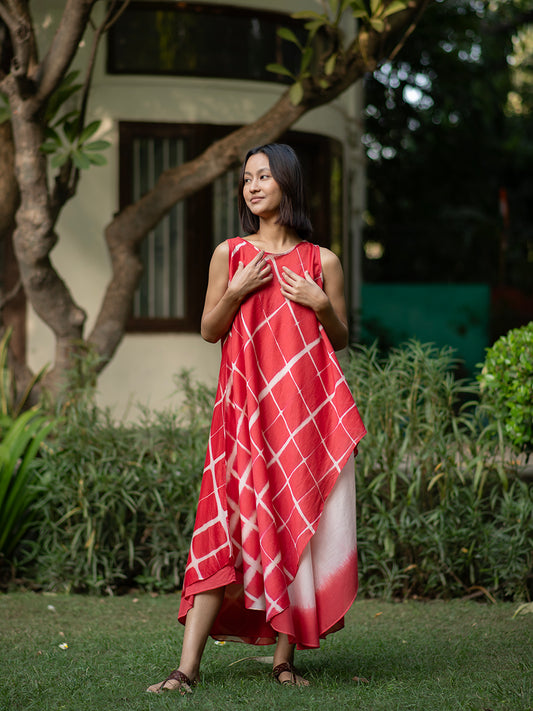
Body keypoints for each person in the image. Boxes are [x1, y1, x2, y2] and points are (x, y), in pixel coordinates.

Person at [147, 143, 366, 694]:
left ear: (287, 183)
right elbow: (209, 329)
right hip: (242, 416)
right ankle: (185, 670)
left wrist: (320, 303)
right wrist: (238, 290)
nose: (252, 186)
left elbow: (339, 338)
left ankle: (283, 661)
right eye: (247, 178)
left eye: (263, 176)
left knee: (295, 526)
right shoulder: (231, 254)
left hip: (299, 418)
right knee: (220, 527)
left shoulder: (322, 262)